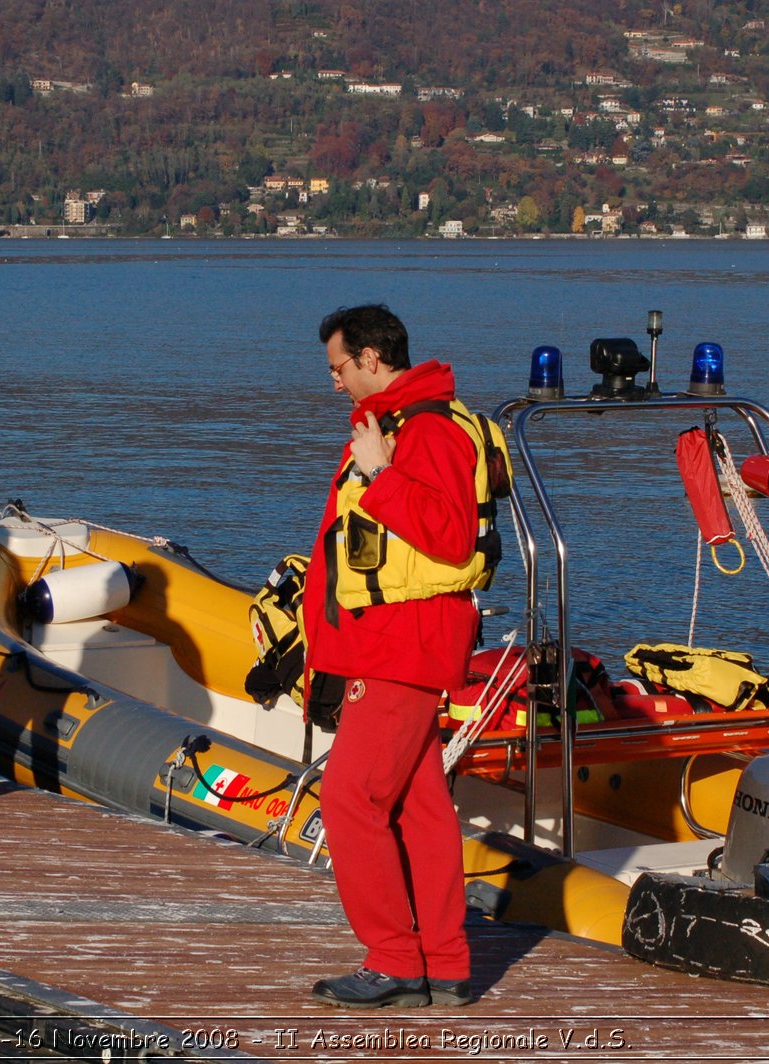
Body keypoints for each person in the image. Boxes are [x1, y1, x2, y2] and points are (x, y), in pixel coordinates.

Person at [303, 304, 486, 1009]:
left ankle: (393, 958)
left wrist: (380, 475)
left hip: (404, 645)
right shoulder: (404, 423)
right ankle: (444, 961)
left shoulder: (428, 430)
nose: (338, 385)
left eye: (339, 369)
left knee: (350, 798)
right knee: (419, 804)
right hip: (393, 641)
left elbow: (449, 535)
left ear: (373, 359)